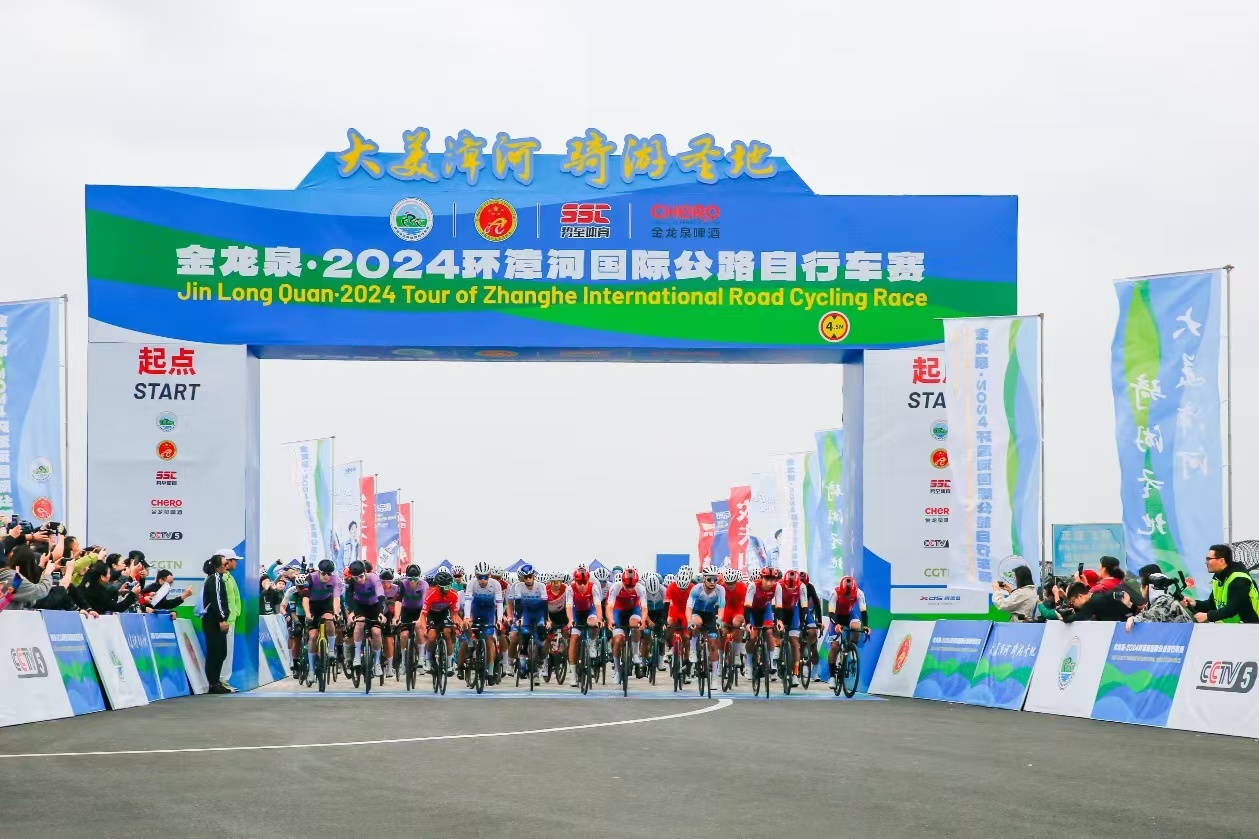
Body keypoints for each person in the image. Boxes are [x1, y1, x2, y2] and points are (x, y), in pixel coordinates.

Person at [1183, 544, 1259, 624]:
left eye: (1208, 559)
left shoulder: (1239, 579)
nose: (1206, 562)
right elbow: (1212, 605)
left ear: (1221, 561)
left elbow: (1233, 608)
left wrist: (1208, 616)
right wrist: (1195, 604)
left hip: (1251, 628)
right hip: (1232, 628)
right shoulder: (1218, 579)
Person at [302, 559, 343, 686]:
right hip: (313, 605)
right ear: (319, 572)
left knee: (330, 620)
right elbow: (305, 598)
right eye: (324, 573)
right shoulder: (310, 578)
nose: (326, 576)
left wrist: (336, 612)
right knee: (313, 636)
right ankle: (311, 670)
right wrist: (307, 613)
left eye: (329, 574)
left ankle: (331, 650)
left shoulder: (336, 579)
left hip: (326, 604)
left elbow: (336, 598)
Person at [462, 561, 504, 683]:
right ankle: (470, 645)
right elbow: (468, 602)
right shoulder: (471, 583)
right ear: (476, 576)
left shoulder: (495, 584)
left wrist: (499, 620)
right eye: (480, 577)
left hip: (489, 613)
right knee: (466, 624)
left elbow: (499, 604)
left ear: (489, 575)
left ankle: (490, 672)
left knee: (489, 641)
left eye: (485, 577)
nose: (483, 580)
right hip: (475, 611)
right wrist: (467, 617)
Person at [345, 559, 386, 674]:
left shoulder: (374, 578)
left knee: (376, 633)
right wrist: (351, 612)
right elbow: (348, 599)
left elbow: (381, 596)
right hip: (360, 606)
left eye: (361, 576)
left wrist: (381, 613)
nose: (359, 580)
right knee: (359, 625)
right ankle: (357, 655)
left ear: (365, 572)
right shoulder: (350, 582)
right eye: (356, 578)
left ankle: (377, 663)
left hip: (374, 606)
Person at [507, 564, 550, 675]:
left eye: (530, 576)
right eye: (525, 577)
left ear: (533, 576)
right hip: (524, 614)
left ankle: (540, 662)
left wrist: (546, 619)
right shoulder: (517, 586)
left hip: (538, 614)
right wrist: (515, 618)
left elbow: (545, 605)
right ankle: (513, 664)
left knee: (540, 638)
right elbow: (514, 604)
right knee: (517, 637)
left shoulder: (540, 586)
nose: (528, 579)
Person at [605, 566, 647, 677]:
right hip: (618, 611)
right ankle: (617, 670)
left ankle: (635, 654)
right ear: (622, 582)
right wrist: (610, 620)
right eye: (627, 586)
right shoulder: (615, 587)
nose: (629, 589)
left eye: (632, 586)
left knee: (635, 625)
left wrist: (643, 620)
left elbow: (644, 608)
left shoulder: (640, 588)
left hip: (633, 610)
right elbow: (609, 607)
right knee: (618, 640)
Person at [686, 567, 726, 681]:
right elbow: (689, 607)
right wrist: (689, 621)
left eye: (715, 579)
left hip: (710, 615)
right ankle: (693, 649)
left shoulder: (720, 589)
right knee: (697, 623)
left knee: (713, 644)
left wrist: (720, 619)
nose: (713, 582)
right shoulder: (696, 589)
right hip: (697, 612)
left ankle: (714, 676)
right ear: (704, 579)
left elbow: (721, 606)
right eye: (709, 579)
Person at [1124, 564, 1192, 630]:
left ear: (1149, 587)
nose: (1141, 589)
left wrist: (1133, 619)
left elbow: (1149, 620)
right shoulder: (1155, 603)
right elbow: (1144, 615)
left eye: (1142, 585)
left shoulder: (1165, 601)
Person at [420, 570, 462, 676]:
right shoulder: (431, 594)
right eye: (446, 587)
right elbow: (423, 615)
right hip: (431, 614)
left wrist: (456, 624)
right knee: (432, 636)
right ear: (439, 586)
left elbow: (454, 613)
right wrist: (424, 628)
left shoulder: (453, 594)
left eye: (450, 586)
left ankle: (449, 663)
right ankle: (427, 659)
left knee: (448, 632)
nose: (448, 589)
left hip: (444, 613)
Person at [201, 555, 232, 694]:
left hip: (215, 620)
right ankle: (213, 684)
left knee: (221, 652)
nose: (227, 566)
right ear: (217, 566)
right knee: (215, 652)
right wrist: (222, 619)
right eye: (224, 564)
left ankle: (216, 682)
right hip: (213, 621)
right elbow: (217, 600)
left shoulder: (218, 578)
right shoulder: (215, 579)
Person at [826, 576, 869, 675]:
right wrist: (836, 625)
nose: (848, 597)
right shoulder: (834, 593)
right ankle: (832, 676)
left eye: (850, 595)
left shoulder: (859, 593)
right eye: (845, 595)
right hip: (836, 617)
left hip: (849, 615)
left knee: (857, 628)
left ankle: (850, 649)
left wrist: (866, 626)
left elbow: (863, 611)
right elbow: (831, 612)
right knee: (835, 646)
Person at [565, 564, 604, 673]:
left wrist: (600, 619)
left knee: (593, 623)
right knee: (574, 639)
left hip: (590, 611)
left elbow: (598, 605)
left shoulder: (593, 587)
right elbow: (568, 606)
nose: (582, 585)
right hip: (576, 612)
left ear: (588, 580)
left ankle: (592, 643)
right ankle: (573, 673)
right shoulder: (570, 588)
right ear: (575, 581)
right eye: (579, 583)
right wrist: (570, 620)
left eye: (584, 582)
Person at [745, 567, 780, 680]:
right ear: (761, 578)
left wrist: (779, 621)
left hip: (765, 610)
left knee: (769, 632)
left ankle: (771, 663)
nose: (769, 583)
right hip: (752, 611)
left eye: (772, 580)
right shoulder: (753, 586)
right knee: (753, 636)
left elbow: (779, 606)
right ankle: (749, 665)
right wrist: (748, 623)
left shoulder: (777, 586)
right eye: (767, 580)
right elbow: (747, 605)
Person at [393, 564, 428, 675]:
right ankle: (403, 662)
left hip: (419, 610)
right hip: (406, 610)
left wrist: (420, 619)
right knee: (404, 635)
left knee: (419, 628)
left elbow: (425, 603)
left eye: (415, 579)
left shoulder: (424, 585)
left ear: (419, 577)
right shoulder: (402, 584)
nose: (412, 581)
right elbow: (398, 601)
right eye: (410, 579)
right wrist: (396, 617)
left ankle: (421, 660)